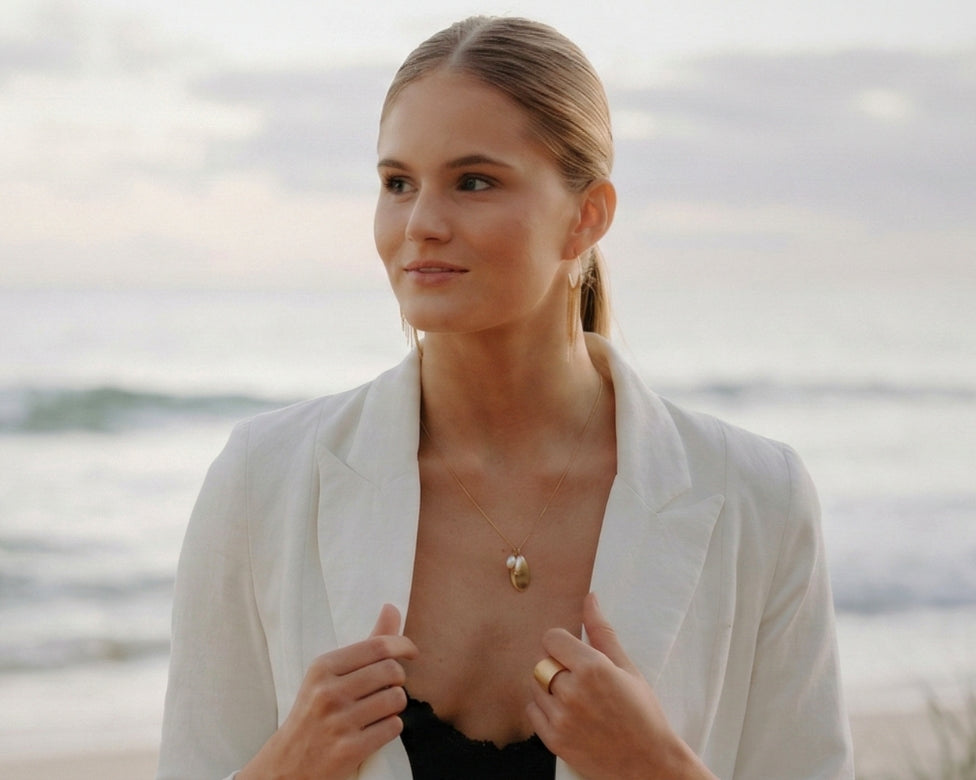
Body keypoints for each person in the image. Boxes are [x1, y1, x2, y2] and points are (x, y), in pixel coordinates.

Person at [157, 16, 853, 780]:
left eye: (474, 182)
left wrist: (659, 769)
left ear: (587, 217)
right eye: (398, 184)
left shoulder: (758, 498)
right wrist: (287, 768)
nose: (421, 223)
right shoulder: (264, 480)